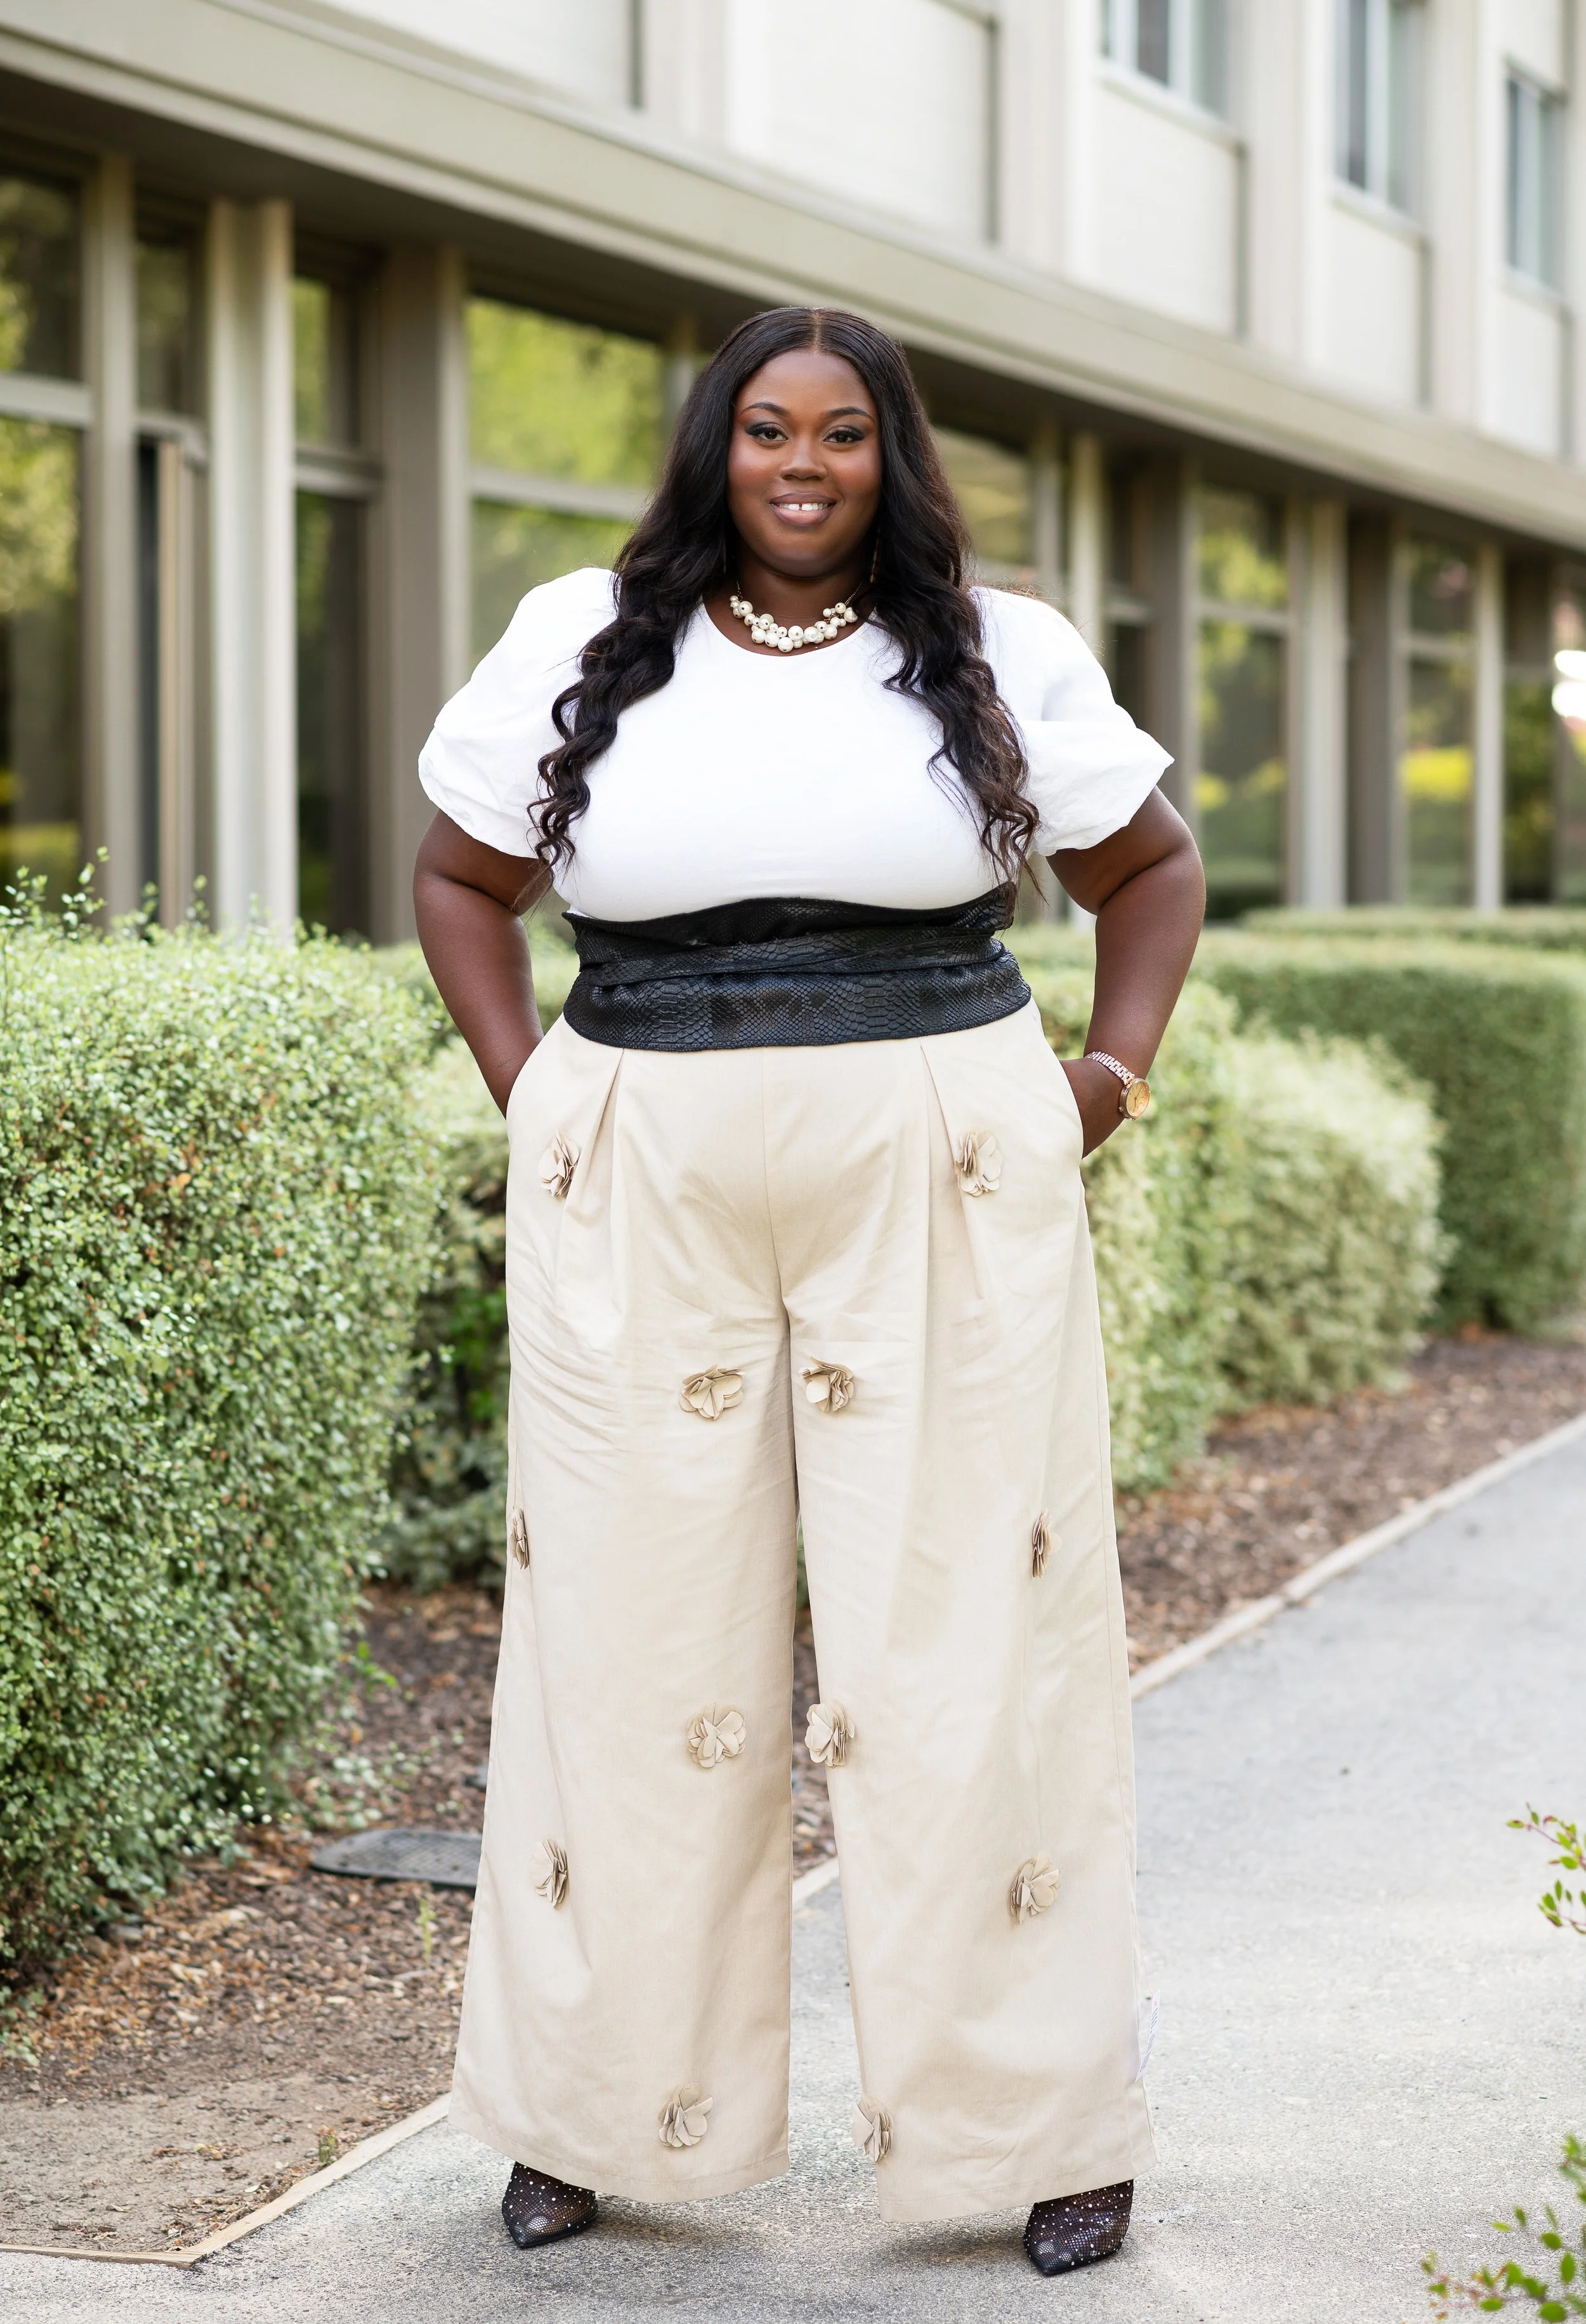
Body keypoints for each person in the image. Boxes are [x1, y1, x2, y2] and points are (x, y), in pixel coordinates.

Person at [413, 305, 1205, 2278]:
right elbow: (455, 877)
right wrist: (536, 1095)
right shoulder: (581, 632)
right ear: (717, 446)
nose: (799, 463)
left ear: (887, 457)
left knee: (967, 1631)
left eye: (839, 433)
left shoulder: (1000, 648)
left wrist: (1105, 1078)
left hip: (940, 1152)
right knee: (621, 1628)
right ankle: (590, 2113)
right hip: (643, 1165)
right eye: (766, 428)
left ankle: (1039, 2132)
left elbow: (1150, 868)